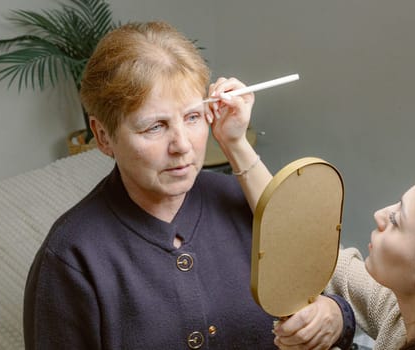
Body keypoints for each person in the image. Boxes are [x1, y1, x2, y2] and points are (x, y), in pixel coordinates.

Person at [23, 20, 355, 349]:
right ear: (103, 136)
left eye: (193, 117)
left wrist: (335, 315)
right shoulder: (71, 257)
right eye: (155, 127)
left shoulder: (243, 199)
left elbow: (318, 293)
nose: (182, 144)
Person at [266, 158, 415, 349]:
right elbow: (321, 255)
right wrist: (238, 146)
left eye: (395, 221)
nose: (379, 215)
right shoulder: (411, 311)